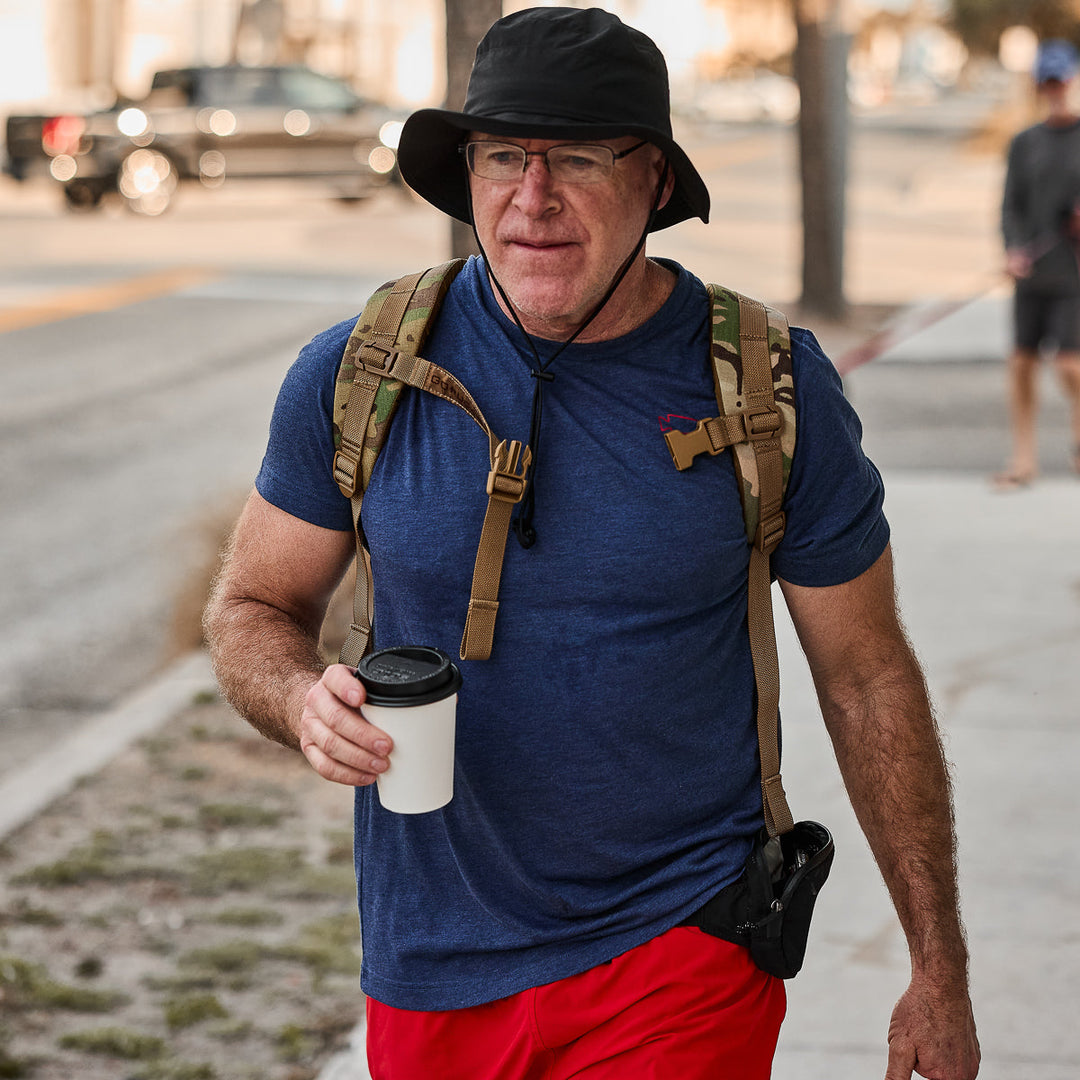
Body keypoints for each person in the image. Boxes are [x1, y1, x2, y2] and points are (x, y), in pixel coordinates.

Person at [204, 8, 979, 1079]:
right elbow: (252, 609)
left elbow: (866, 677)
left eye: (576, 157)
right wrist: (297, 700)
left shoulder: (767, 390)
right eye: (504, 156)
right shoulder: (360, 374)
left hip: (680, 947)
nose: (533, 200)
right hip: (430, 957)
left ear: (655, 181)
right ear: (466, 172)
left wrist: (938, 967)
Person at [998, 37, 1080, 489]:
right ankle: (1023, 460)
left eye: (1062, 79)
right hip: (1030, 273)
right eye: (1047, 82)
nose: (1055, 89)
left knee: (1070, 364)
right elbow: (1011, 205)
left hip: (1074, 274)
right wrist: (1012, 249)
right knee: (1021, 365)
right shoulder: (1024, 142)